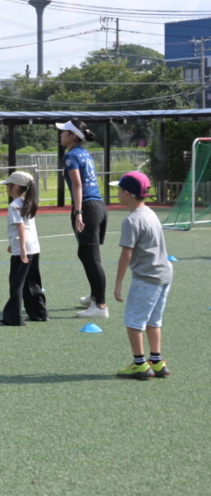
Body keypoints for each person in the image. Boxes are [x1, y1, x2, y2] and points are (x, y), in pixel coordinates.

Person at [112, 172, 173, 379]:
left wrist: (118, 283)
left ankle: (140, 364)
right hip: (164, 274)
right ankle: (156, 361)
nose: (117, 193)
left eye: (119, 190)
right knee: (154, 321)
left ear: (127, 194)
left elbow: (126, 253)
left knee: (133, 321)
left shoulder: (131, 220)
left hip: (147, 277)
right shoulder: (150, 212)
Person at [56, 120, 109, 318]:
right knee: (85, 254)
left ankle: (101, 306)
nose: (60, 134)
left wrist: (78, 212)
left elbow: (77, 185)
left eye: (64, 132)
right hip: (98, 206)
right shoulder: (84, 153)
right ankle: (95, 296)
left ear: (73, 136)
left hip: (87, 207)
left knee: (92, 257)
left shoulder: (71, 156)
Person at [0, 171, 47, 325]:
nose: (6, 188)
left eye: (8, 185)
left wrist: (21, 248)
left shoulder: (14, 205)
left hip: (24, 248)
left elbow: (21, 227)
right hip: (34, 247)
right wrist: (12, 244)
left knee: (17, 283)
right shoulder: (28, 202)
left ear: (15, 187)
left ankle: (13, 318)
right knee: (32, 282)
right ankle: (39, 313)